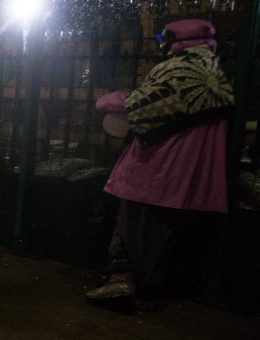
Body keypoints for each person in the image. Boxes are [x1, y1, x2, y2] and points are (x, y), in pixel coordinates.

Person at [87, 18, 234, 311]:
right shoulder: (217, 71)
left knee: (136, 228)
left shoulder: (181, 68)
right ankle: (143, 287)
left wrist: (106, 101)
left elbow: (140, 103)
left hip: (159, 165)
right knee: (161, 233)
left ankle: (131, 285)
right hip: (189, 170)